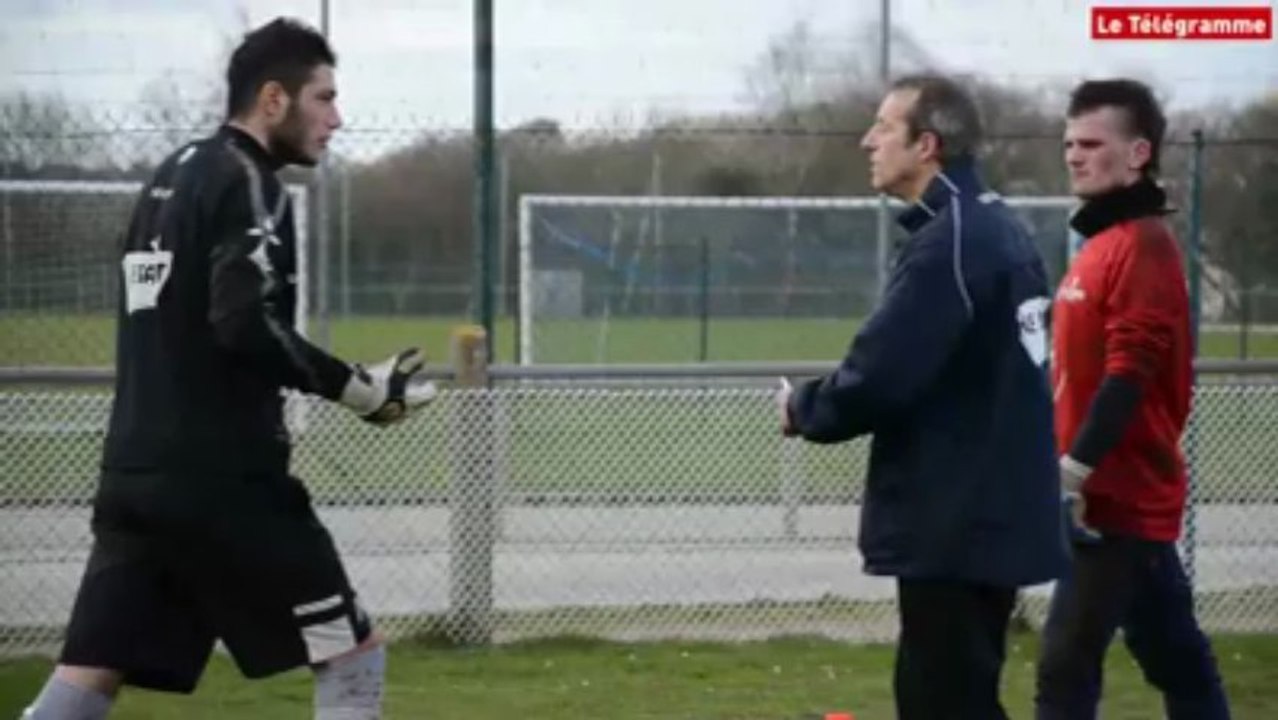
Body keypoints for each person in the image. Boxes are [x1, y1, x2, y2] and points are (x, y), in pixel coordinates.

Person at [21, 17, 436, 720]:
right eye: (324, 99)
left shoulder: (170, 176)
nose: (337, 119)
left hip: (135, 483)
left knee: (89, 674)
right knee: (352, 656)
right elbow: (243, 322)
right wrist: (359, 389)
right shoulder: (249, 183)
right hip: (228, 491)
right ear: (273, 100)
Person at [775, 73, 1069, 719]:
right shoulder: (992, 228)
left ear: (926, 144)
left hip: (960, 516)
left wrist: (805, 408)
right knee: (952, 696)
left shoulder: (952, 245)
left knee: (944, 702)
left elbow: (883, 371)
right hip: (982, 510)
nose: (866, 141)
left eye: (883, 127)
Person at [1034, 78, 1232, 720]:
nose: (1074, 155)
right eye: (1069, 142)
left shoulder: (1144, 245)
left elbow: (1131, 373)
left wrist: (1075, 470)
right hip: (1110, 497)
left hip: (1114, 503)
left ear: (1139, 153)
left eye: (1092, 143)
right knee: (1176, 656)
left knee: (1065, 663)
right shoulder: (1102, 246)